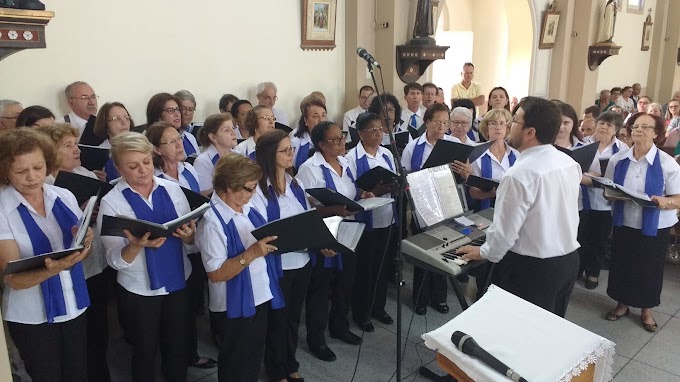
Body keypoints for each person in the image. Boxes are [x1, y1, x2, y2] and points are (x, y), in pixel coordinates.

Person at [456, 97, 582, 318]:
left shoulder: (518, 174)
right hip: (568, 261)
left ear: (530, 132)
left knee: (519, 331)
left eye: (514, 120)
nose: (508, 126)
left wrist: (483, 252)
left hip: (532, 268)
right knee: (549, 327)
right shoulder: (569, 163)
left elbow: (505, 233)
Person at [98, 132, 197, 382]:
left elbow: (190, 239)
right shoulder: (112, 202)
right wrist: (135, 246)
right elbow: (113, 260)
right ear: (118, 168)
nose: (143, 170)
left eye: (147, 162)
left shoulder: (172, 189)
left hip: (177, 278)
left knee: (177, 345)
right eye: (133, 166)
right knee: (144, 349)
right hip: (139, 287)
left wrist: (188, 236)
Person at [0, 128, 94, 382]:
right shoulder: (3, 209)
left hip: (72, 302)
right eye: (21, 171)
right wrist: (53, 268)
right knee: (46, 375)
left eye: (39, 167)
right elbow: (14, 279)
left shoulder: (63, 196)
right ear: (5, 171)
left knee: (77, 373)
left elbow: (81, 253)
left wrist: (86, 242)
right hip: (31, 315)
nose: (32, 177)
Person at [194, 153, 283, 382]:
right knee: (236, 362)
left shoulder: (245, 206)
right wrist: (252, 253)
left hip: (259, 293)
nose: (253, 194)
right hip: (235, 303)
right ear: (228, 187)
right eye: (249, 188)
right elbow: (215, 274)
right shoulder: (212, 222)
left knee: (253, 357)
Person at [36, 123, 112, 381]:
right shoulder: (43, 185)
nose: (76, 149)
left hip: (94, 263)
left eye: (75, 143)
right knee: (75, 341)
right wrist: (79, 213)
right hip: (64, 271)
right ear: (48, 152)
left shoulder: (86, 175)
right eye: (67, 146)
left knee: (99, 331)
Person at [145, 122, 217, 370]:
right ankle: (173, 359)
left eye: (180, 139)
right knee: (174, 311)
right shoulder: (153, 179)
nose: (180, 145)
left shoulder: (188, 169)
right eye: (172, 142)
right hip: (171, 248)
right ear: (156, 149)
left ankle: (190, 353)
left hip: (195, 243)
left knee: (191, 305)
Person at [296, 122, 370, 360]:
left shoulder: (346, 162)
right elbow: (304, 207)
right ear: (321, 144)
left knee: (345, 282)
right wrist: (334, 209)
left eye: (342, 138)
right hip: (324, 233)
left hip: (348, 230)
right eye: (335, 140)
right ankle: (316, 339)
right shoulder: (310, 168)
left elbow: (350, 191)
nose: (341, 143)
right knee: (320, 287)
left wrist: (362, 195)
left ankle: (339, 326)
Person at [604, 113, 680, 332]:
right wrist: (613, 195)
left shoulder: (667, 164)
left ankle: (647, 310)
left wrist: (664, 201)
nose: (638, 130)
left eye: (645, 127)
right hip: (624, 221)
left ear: (656, 134)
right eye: (635, 126)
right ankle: (622, 304)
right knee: (622, 263)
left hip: (655, 225)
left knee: (649, 268)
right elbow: (608, 190)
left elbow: (677, 198)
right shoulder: (618, 159)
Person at [248, 130, 314, 379]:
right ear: (269, 155)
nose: (291, 154)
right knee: (278, 319)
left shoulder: (295, 182)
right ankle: (276, 369)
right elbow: (259, 228)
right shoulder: (259, 190)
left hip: (302, 260)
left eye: (291, 149)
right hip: (278, 264)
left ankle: (291, 363)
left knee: (294, 317)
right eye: (285, 151)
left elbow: (307, 218)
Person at [402, 103, 460, 315]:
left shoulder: (453, 144)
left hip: (446, 205)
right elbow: (406, 174)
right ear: (427, 122)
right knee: (423, 252)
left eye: (446, 122)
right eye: (437, 122)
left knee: (444, 249)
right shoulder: (413, 146)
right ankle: (420, 297)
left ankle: (439, 297)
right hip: (422, 206)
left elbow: (463, 175)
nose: (442, 126)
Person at [345, 113, 397, 331]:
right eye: (372, 130)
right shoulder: (350, 158)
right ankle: (361, 312)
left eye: (380, 130)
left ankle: (379, 307)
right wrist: (372, 191)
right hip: (364, 222)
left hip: (387, 217)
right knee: (365, 269)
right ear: (360, 134)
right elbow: (350, 192)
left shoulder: (386, 154)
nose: (378, 134)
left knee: (382, 266)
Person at [194, 113, 238, 193]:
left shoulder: (239, 155)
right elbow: (205, 194)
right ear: (213, 137)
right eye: (227, 130)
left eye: (233, 128)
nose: (233, 133)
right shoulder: (203, 161)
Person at [146, 93, 200, 158]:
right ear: (158, 115)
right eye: (170, 111)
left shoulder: (189, 137)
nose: (177, 114)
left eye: (178, 110)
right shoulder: (147, 143)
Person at [93, 102, 136, 181]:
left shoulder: (139, 146)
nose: (124, 123)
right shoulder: (98, 154)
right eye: (117, 119)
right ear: (106, 125)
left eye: (126, 117)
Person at [292, 98, 328, 169]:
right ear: (306, 120)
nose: (321, 120)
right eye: (315, 116)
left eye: (323, 115)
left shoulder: (332, 141)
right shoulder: (295, 143)